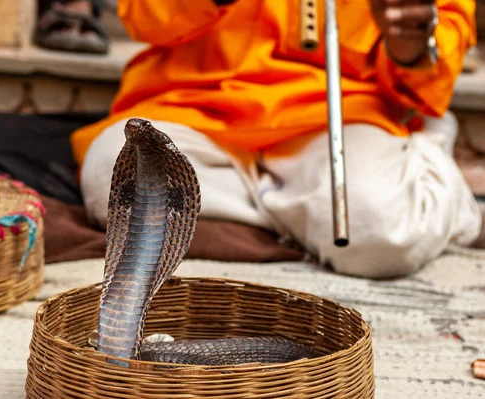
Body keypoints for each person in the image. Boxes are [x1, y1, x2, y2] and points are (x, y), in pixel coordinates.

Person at [71, 0, 483, 279]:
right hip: (197, 104)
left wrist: (411, 44)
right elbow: (143, 17)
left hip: (337, 114)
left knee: (382, 235)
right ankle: (304, 209)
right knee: (113, 177)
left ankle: (432, 179)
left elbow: (441, 40)